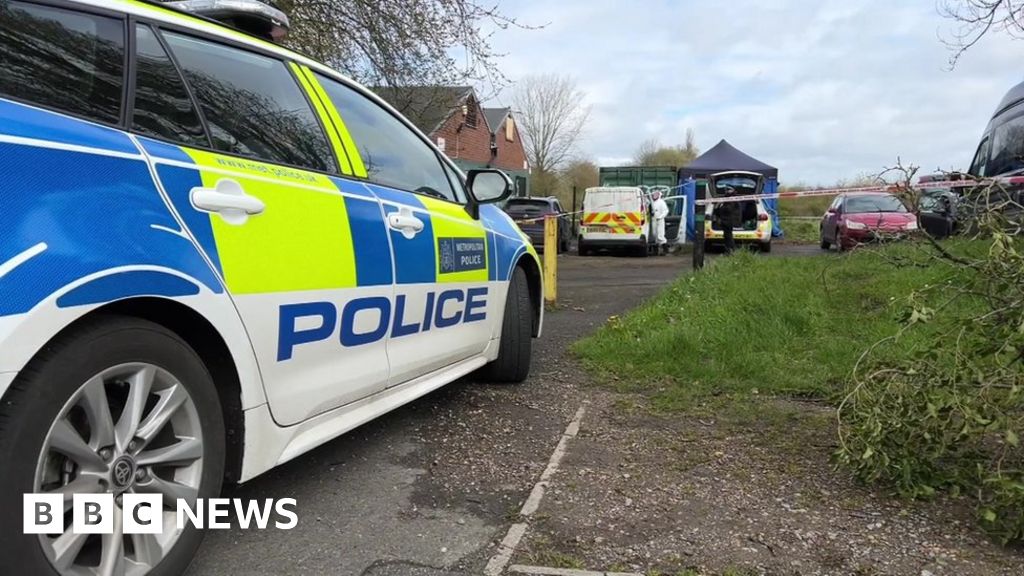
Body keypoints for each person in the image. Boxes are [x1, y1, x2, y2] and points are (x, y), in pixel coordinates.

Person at [716, 186, 740, 254]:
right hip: (726, 221)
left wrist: (721, 206)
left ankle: (731, 250)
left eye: (727, 190)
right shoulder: (727, 199)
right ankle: (729, 250)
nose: (725, 191)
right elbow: (718, 211)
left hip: (728, 221)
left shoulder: (732, 200)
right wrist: (718, 205)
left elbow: (728, 209)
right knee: (727, 236)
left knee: (728, 236)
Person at [651, 190, 670, 255]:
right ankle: (655, 251)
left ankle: (666, 250)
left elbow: (666, 211)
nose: (654, 196)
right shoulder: (652, 203)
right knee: (654, 235)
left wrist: (660, 217)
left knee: (660, 235)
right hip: (653, 220)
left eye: (656, 194)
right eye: (654, 194)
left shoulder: (661, 202)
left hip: (660, 221)